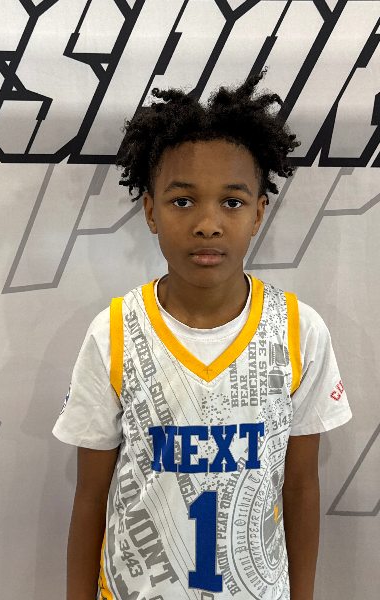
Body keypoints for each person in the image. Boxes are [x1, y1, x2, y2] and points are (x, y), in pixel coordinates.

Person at [52, 71, 352, 600]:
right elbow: (91, 495)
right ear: (150, 210)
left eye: (232, 202)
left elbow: (302, 488)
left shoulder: (299, 331)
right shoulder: (114, 333)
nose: (208, 224)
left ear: (259, 212)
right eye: (183, 201)